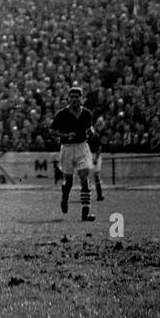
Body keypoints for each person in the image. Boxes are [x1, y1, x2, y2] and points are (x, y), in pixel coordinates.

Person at [52, 86, 96, 221]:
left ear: (81, 99)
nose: (75, 99)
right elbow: (53, 131)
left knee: (84, 176)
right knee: (69, 181)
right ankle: (65, 198)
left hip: (82, 147)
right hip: (67, 148)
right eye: (72, 97)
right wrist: (66, 135)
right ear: (68, 99)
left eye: (77, 97)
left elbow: (89, 128)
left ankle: (85, 213)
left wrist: (91, 132)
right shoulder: (61, 114)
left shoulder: (87, 113)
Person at [87, 116, 106, 202]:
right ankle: (91, 194)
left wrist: (96, 158)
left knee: (96, 175)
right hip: (90, 155)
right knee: (90, 176)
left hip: (94, 155)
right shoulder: (88, 138)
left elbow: (99, 148)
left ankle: (99, 195)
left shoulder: (95, 137)